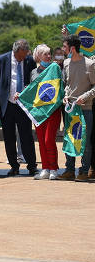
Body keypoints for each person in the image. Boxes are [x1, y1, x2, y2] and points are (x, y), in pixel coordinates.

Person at [0, 39, 37, 176]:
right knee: (9, 137)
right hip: (7, 104)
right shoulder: (1, 60)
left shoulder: (30, 61)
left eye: (25, 55)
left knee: (27, 136)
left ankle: (31, 166)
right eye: (21, 56)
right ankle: (14, 166)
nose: (23, 58)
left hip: (23, 105)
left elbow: (32, 82)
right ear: (15, 51)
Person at [57, 34, 95, 181]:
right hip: (70, 109)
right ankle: (69, 170)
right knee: (70, 139)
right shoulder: (66, 63)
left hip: (86, 108)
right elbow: (67, 84)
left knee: (85, 141)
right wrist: (66, 95)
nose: (63, 50)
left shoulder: (89, 64)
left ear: (72, 48)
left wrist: (84, 97)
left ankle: (84, 171)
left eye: (65, 47)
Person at [26, 44, 61, 180]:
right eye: (45, 54)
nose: (49, 56)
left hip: (52, 110)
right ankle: (45, 168)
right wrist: (21, 94)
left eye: (49, 53)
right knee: (41, 141)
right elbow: (31, 90)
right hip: (39, 112)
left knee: (49, 140)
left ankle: (54, 168)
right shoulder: (33, 72)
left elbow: (60, 85)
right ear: (39, 56)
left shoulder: (55, 68)